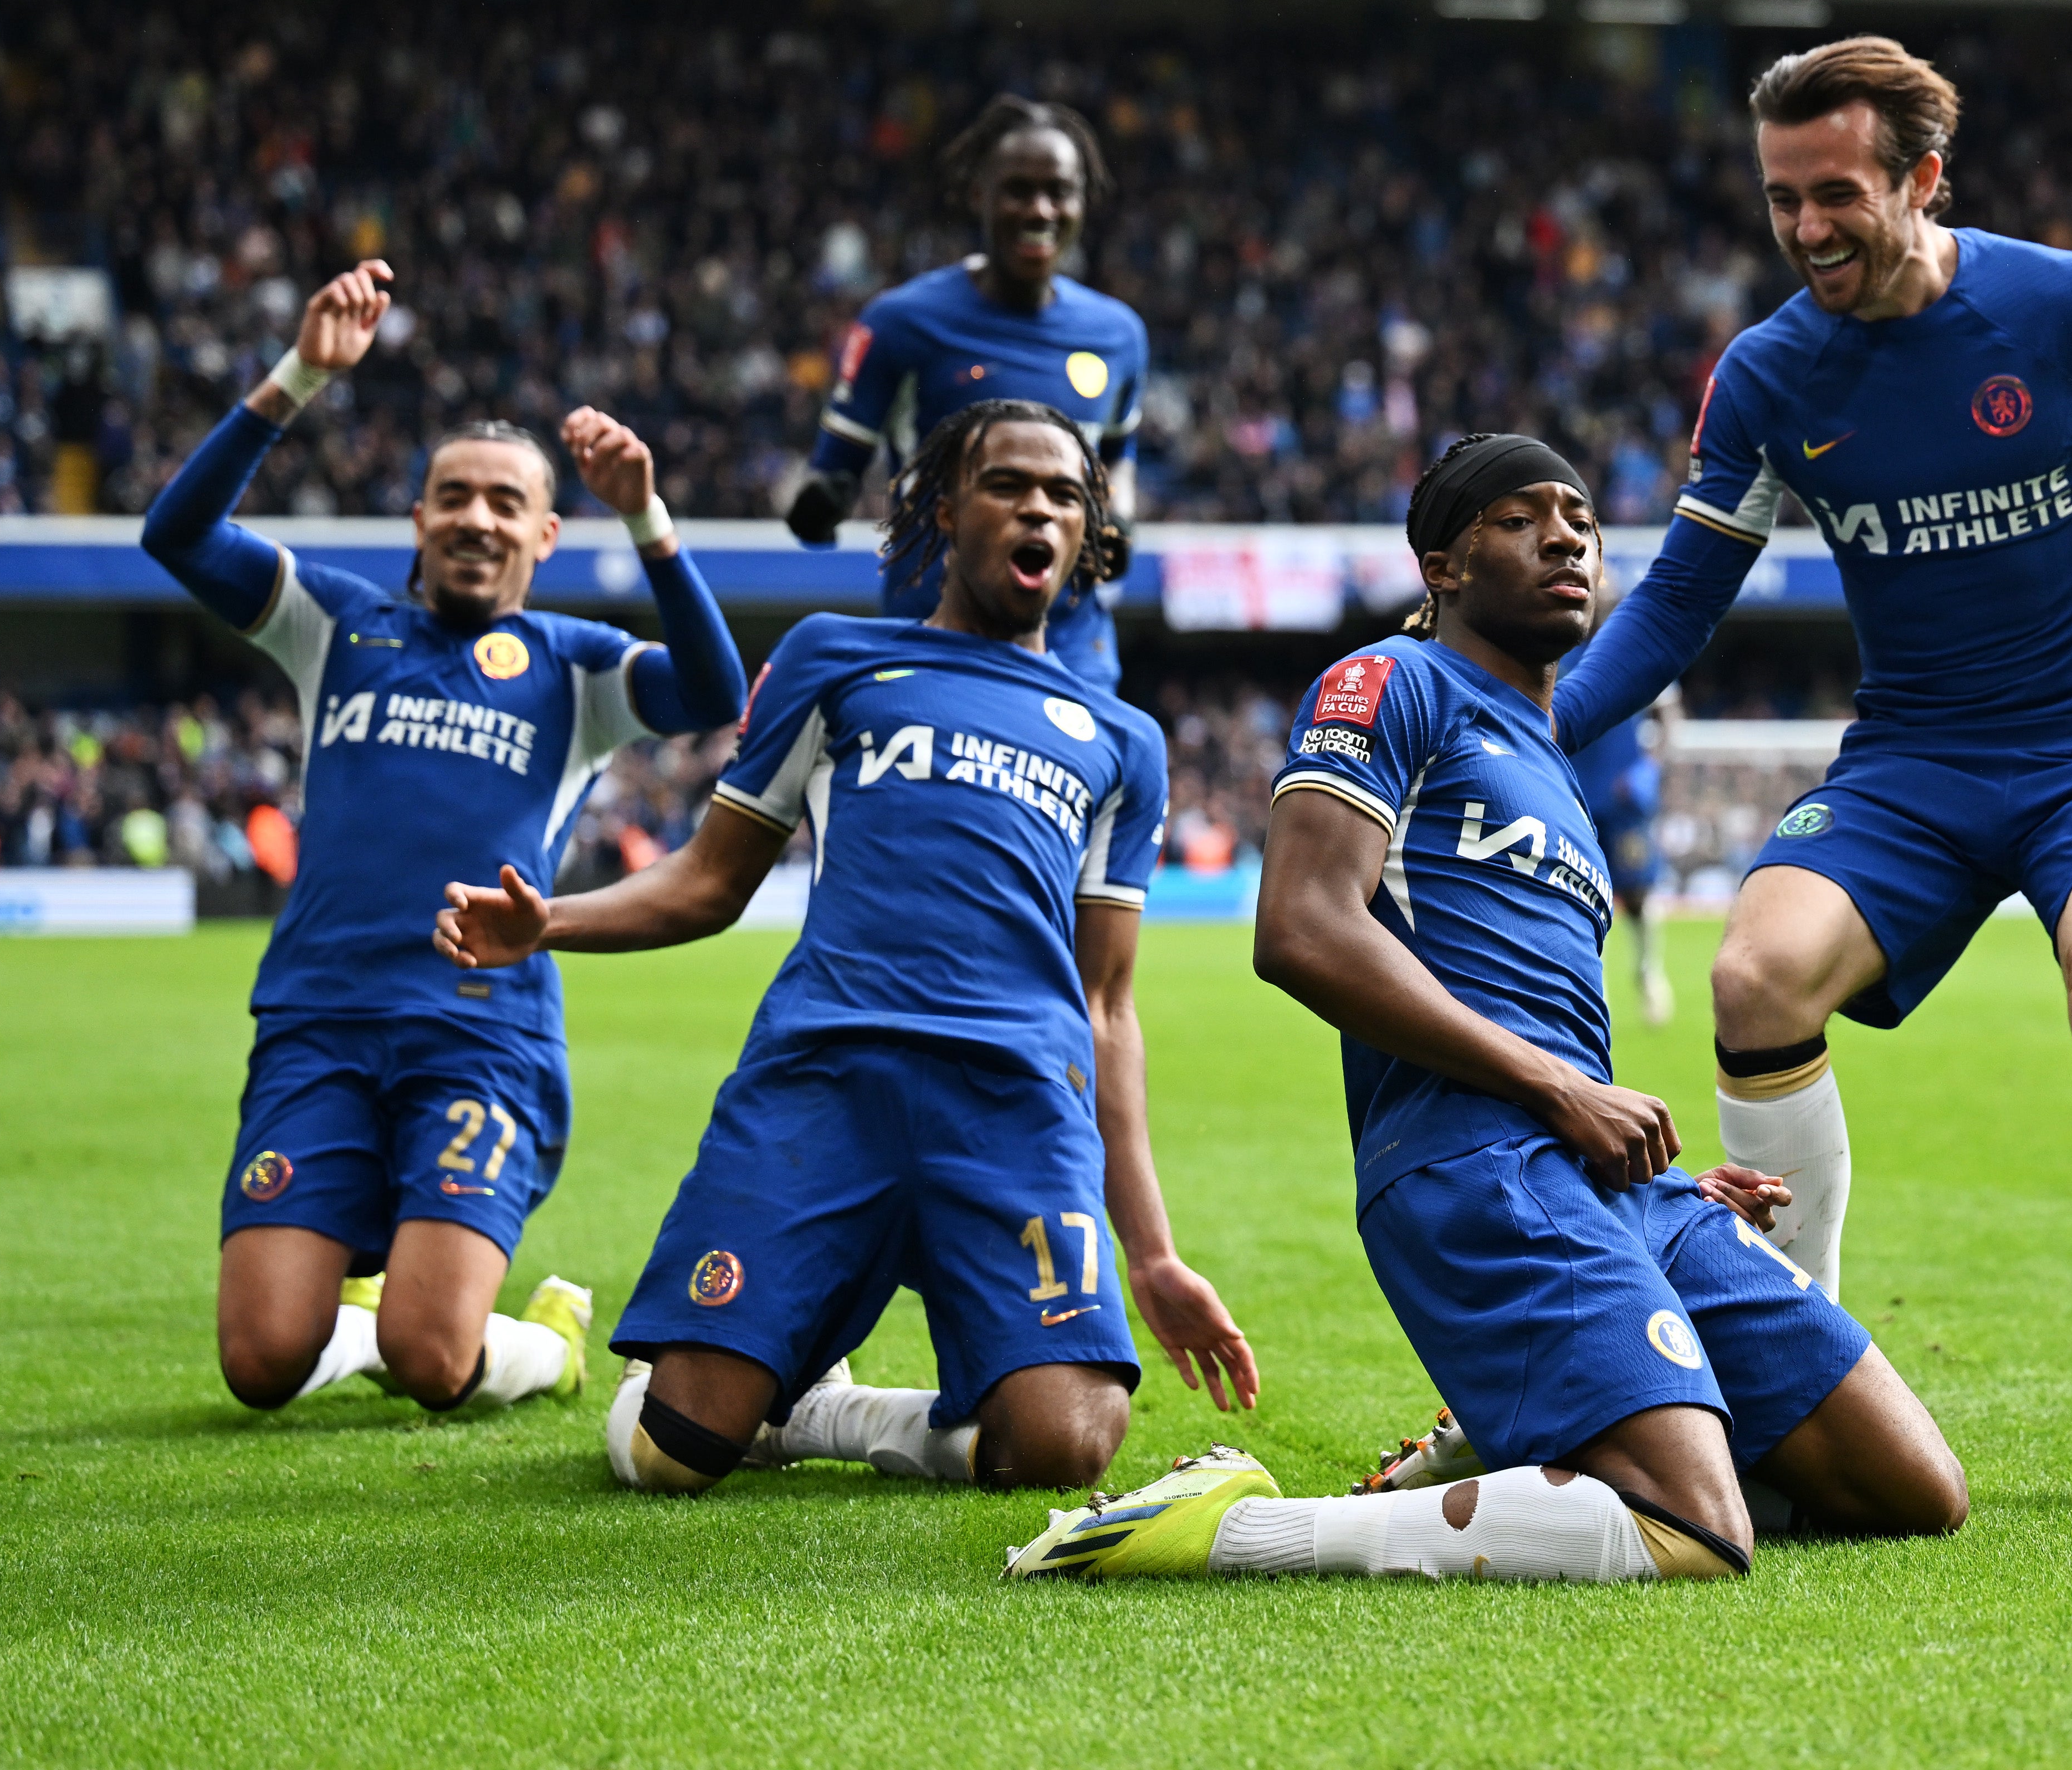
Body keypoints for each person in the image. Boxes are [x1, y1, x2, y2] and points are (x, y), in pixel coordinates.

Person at [1548, 37, 2072, 1517]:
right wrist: (1527, 726)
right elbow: (1674, 606)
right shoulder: (1770, 375)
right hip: (1910, 757)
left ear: (1923, 179)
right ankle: (1795, 1375)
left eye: (1836, 193)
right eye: (1782, 199)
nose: (1805, 227)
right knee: (1750, 981)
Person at [1002, 434, 1963, 1585]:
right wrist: (1556, 1087)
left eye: (1579, 518)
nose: (1566, 535)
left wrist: (1652, 1166)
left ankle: (1528, 1442)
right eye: (1521, 517)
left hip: (1606, 1177)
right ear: (1442, 565)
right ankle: (1231, 1526)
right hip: (1474, 1164)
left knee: (1912, 1492)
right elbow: (1301, 929)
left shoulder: (1555, 766)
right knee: (1698, 1533)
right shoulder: (1389, 685)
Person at [437, 400, 1255, 1497]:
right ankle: (757, 1376)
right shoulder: (834, 657)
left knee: (1065, 1442)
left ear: (1089, 533)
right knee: (669, 1452)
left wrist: (1151, 1253)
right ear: (943, 507)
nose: (1039, 509)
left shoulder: (1123, 740)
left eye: (1065, 494)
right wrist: (553, 925)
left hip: (1012, 1107)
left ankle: (833, 1412)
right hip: (826, 1080)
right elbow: (709, 880)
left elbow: (1108, 1004)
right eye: (1009, 483)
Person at [145, 262, 749, 1417]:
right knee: (262, 1364)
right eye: (454, 497)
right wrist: (300, 378)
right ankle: (366, 1288)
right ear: (417, 520)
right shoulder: (335, 624)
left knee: (434, 1362)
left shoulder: (577, 671)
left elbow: (715, 688)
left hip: (478, 1034)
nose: (477, 517)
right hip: (319, 1019)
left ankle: (545, 1348)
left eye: (505, 503)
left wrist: (649, 517)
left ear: (545, 533)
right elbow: (178, 534)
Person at [786, 95, 1149, 695]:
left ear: (1084, 201)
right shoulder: (902, 324)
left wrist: (1122, 521)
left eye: (1059, 191)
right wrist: (821, 501)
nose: (1040, 210)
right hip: (932, 642)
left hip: (1072, 653)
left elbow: (1117, 456)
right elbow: (834, 469)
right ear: (978, 193)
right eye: (1018, 190)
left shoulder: (1119, 336)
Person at [1565, 663, 1684, 1026]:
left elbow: (1670, 713)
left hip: (1622, 799)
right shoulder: (1557, 644)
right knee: (1576, 897)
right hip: (1571, 794)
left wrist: (1649, 766)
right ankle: (1593, 989)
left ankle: (1649, 972)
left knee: (1637, 894)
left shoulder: (1633, 643)